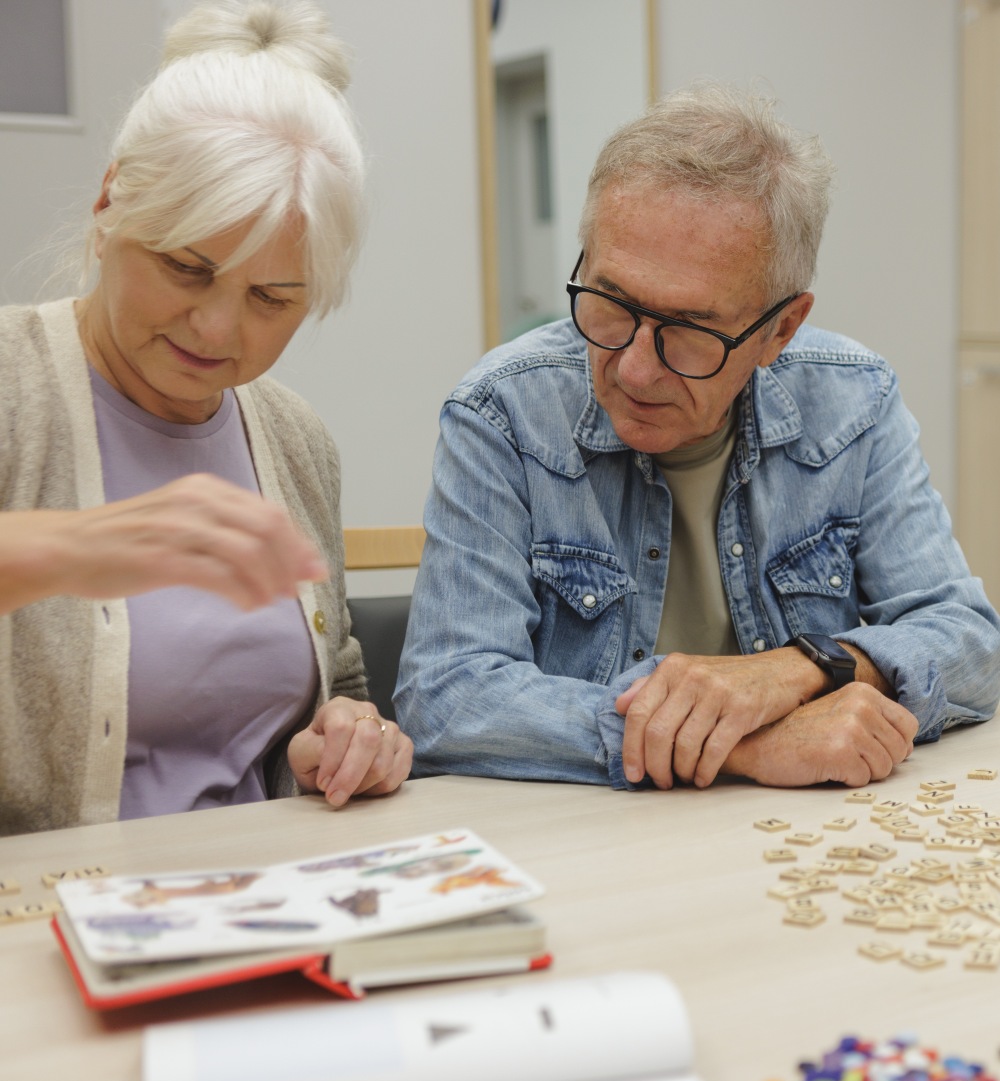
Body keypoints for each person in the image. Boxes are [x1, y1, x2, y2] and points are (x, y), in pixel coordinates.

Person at [396, 81, 1000, 793]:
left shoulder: (854, 402)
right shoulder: (502, 412)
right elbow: (448, 696)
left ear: (781, 327)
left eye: (687, 331)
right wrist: (742, 743)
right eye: (611, 302)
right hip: (585, 843)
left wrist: (797, 669)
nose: (634, 367)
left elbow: (969, 641)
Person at [0, 0, 412, 835]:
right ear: (111, 202)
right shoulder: (15, 386)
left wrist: (343, 737)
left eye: (272, 298)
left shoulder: (296, 442)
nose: (219, 330)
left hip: (249, 901)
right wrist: (73, 547)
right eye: (188, 270)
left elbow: (334, 686)